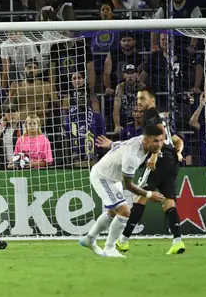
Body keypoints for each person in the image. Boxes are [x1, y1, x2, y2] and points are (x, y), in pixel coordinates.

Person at [115, 87, 187, 255]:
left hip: (160, 160)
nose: (139, 102)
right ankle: (177, 241)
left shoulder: (151, 114)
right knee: (168, 201)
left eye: (142, 99)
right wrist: (178, 151)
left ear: (152, 101)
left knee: (140, 196)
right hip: (172, 162)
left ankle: (123, 240)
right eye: (138, 99)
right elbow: (177, 139)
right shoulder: (162, 116)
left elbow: (160, 133)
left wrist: (154, 155)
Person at [79, 125, 166, 257]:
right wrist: (149, 194)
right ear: (145, 140)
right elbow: (129, 185)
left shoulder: (140, 141)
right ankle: (109, 248)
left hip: (113, 178)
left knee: (113, 213)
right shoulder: (132, 156)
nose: (158, 144)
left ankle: (89, 239)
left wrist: (111, 144)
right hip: (103, 177)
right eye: (155, 141)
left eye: (160, 140)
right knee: (124, 211)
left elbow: (123, 144)